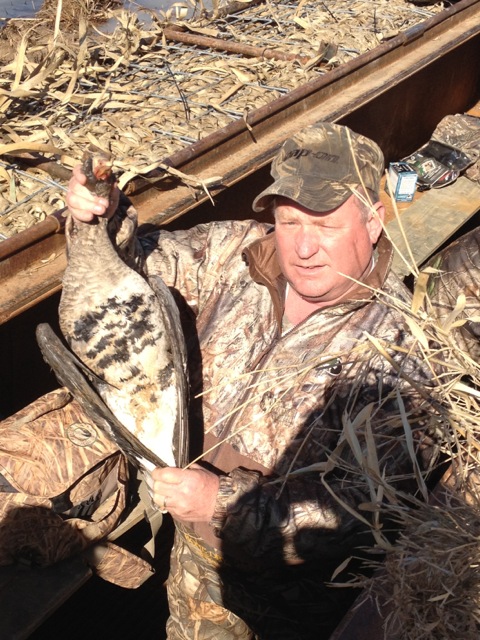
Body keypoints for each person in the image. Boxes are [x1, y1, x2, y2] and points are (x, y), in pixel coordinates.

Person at [66, 122, 437, 639]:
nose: (303, 247)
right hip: (194, 560)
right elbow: (128, 274)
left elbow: (366, 511)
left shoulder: (402, 344)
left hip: (293, 602)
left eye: (325, 224)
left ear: (373, 221)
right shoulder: (233, 252)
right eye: (289, 221)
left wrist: (219, 502)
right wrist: (97, 220)